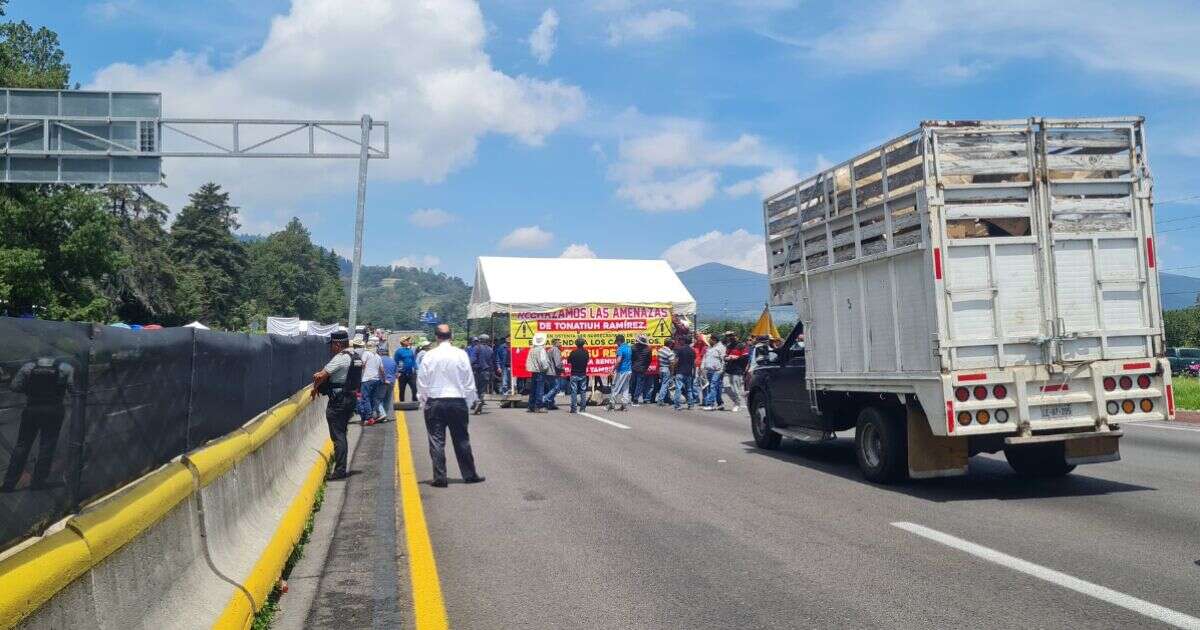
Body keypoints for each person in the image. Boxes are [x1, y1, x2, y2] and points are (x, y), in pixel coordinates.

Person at [417, 323, 484, 487]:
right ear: (451, 336)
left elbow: (422, 382)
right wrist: (468, 402)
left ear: (436, 337)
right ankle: (469, 475)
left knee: (436, 441)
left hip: (435, 400)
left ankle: (440, 477)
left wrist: (424, 401)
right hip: (457, 400)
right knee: (462, 439)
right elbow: (469, 380)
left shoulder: (429, 355)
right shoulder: (460, 354)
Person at [1, 357, 74, 492]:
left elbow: (15, 387)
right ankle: (38, 482)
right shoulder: (65, 367)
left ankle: (9, 483)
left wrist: (31, 389)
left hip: (32, 409)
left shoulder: (28, 367)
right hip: (54, 410)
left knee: (22, 446)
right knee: (47, 446)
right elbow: (73, 389)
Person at [311, 330, 363, 480]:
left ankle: (340, 470)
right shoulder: (356, 357)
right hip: (351, 398)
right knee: (342, 432)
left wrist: (315, 386)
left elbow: (322, 375)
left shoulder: (340, 358)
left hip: (339, 401)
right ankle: (341, 466)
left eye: (332, 345)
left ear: (338, 344)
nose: (331, 348)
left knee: (338, 435)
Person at [357, 340, 384, 423]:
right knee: (372, 398)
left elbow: (362, 364)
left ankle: (368, 417)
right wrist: (384, 379)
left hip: (367, 379)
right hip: (376, 380)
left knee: (365, 398)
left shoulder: (366, 354)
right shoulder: (378, 356)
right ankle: (371, 415)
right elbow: (382, 370)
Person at [525, 333, 552, 413]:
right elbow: (543, 361)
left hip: (534, 371)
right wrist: (546, 367)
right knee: (540, 389)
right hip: (540, 371)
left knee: (533, 389)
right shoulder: (541, 350)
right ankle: (538, 406)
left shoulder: (532, 349)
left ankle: (531, 406)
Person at [701, 333, 727, 410]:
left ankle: (710, 404)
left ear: (714, 340)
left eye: (710, 339)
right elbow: (705, 358)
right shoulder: (709, 348)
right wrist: (702, 367)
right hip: (709, 370)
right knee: (716, 387)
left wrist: (721, 370)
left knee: (713, 385)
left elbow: (723, 360)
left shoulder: (721, 348)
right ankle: (720, 403)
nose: (709, 340)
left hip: (717, 371)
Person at [471, 334, 495, 413]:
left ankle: (477, 402)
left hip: (477, 371)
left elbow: (473, 360)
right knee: (482, 390)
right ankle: (479, 402)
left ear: (480, 340)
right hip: (487, 372)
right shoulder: (490, 349)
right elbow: (492, 363)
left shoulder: (476, 348)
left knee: (475, 388)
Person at [608, 334, 632, 412]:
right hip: (629, 370)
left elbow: (618, 360)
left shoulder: (620, 349)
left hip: (622, 370)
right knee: (625, 388)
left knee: (616, 387)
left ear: (619, 341)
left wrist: (613, 370)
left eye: (617, 342)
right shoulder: (629, 348)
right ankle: (624, 405)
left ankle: (612, 405)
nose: (616, 343)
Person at [672, 337, 698, 409]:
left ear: (684, 341)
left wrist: (673, 371)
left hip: (680, 372)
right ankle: (690, 405)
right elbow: (694, 363)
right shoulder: (692, 351)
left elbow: (675, 361)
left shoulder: (680, 350)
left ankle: (677, 405)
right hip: (689, 373)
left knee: (678, 388)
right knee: (689, 389)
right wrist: (694, 373)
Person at [723, 340, 749, 413]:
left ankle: (737, 404)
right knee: (726, 387)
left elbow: (745, 358)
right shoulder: (729, 346)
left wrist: (736, 358)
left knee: (735, 388)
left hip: (737, 370)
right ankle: (736, 401)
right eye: (728, 336)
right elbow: (725, 356)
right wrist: (727, 358)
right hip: (729, 369)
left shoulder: (741, 346)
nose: (729, 338)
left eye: (731, 336)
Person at [541, 338, 566, 410]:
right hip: (553, 372)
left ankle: (551, 404)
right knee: (556, 388)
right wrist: (562, 369)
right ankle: (544, 399)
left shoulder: (550, 349)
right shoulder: (555, 350)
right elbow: (558, 363)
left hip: (549, 371)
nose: (561, 343)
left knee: (551, 388)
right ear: (555, 343)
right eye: (559, 342)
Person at [567, 337, 590, 413]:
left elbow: (568, 361)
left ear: (576, 344)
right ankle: (583, 408)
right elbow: (587, 360)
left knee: (574, 391)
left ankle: (573, 408)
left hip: (574, 373)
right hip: (583, 373)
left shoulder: (573, 352)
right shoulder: (586, 352)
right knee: (583, 391)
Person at [374, 350, 397, 424]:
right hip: (392, 381)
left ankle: (382, 414)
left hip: (383, 381)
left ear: (380, 353)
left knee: (377, 399)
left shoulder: (379, 360)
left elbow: (378, 371)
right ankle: (384, 416)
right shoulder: (392, 361)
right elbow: (397, 373)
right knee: (387, 399)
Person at [630, 334, 652, 406]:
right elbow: (649, 360)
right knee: (639, 384)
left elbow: (631, 358)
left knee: (633, 383)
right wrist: (646, 367)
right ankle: (635, 399)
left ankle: (633, 397)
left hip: (634, 367)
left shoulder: (633, 347)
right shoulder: (648, 349)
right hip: (642, 368)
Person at [394, 337, 418, 402]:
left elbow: (413, 360)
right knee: (402, 390)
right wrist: (396, 372)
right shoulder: (398, 351)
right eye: (407, 340)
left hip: (411, 373)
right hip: (402, 374)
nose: (408, 341)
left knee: (414, 388)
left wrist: (415, 368)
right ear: (403, 342)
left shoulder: (410, 351)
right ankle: (402, 403)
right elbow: (395, 362)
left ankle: (415, 401)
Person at [654, 339, 676, 405]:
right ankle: (660, 400)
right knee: (665, 385)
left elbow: (658, 359)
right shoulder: (670, 352)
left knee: (663, 384)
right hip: (666, 369)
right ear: (669, 344)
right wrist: (672, 372)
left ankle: (666, 398)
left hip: (660, 368)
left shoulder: (660, 350)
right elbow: (672, 363)